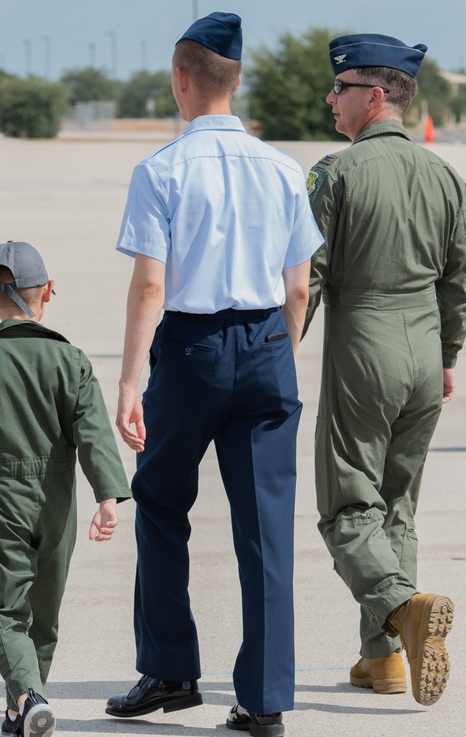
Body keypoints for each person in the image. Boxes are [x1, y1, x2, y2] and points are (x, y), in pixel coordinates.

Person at [104, 13, 322, 737]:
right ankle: (264, 701)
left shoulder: (162, 169)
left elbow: (148, 288)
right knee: (264, 527)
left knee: (162, 502)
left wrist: (130, 381)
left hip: (191, 351)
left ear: (181, 79)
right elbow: (299, 288)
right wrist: (274, 357)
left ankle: (169, 668)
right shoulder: (285, 168)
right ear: (237, 80)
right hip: (266, 342)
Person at [303, 33, 466, 707]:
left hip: (364, 352)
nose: (330, 99)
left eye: (340, 88)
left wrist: (275, 355)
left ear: (375, 95)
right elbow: (460, 283)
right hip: (425, 355)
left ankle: (403, 607)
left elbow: (308, 280)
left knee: (347, 508)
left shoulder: (333, 173)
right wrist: (450, 357)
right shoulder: (443, 175)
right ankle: (384, 661)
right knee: (396, 508)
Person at [0, 240, 130, 737]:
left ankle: (25, 695)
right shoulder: (72, 360)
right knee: (42, 614)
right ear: (50, 290)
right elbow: (94, 433)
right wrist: (108, 495)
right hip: (59, 498)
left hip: (1, 496)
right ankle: (20, 711)